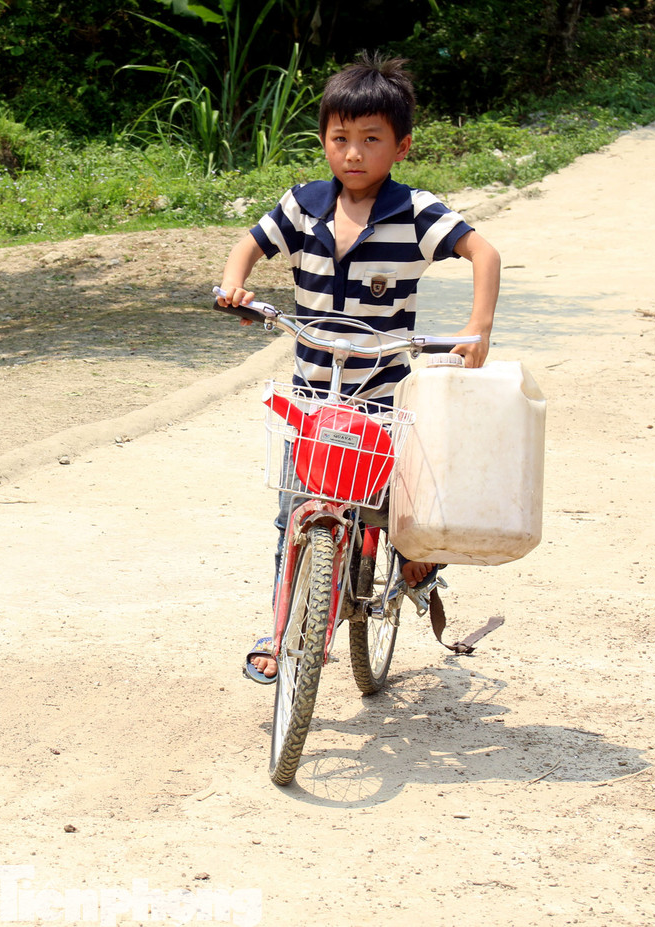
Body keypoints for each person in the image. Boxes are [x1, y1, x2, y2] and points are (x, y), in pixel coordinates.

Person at [215, 53, 501, 683]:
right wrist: (235, 287)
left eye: (371, 140)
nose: (353, 153)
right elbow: (249, 246)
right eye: (340, 139)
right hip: (311, 394)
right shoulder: (304, 205)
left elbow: (483, 251)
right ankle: (289, 628)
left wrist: (477, 330)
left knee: (399, 502)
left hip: (385, 390)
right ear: (323, 141)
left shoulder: (415, 212)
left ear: (400, 147)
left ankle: (413, 557)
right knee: (295, 514)